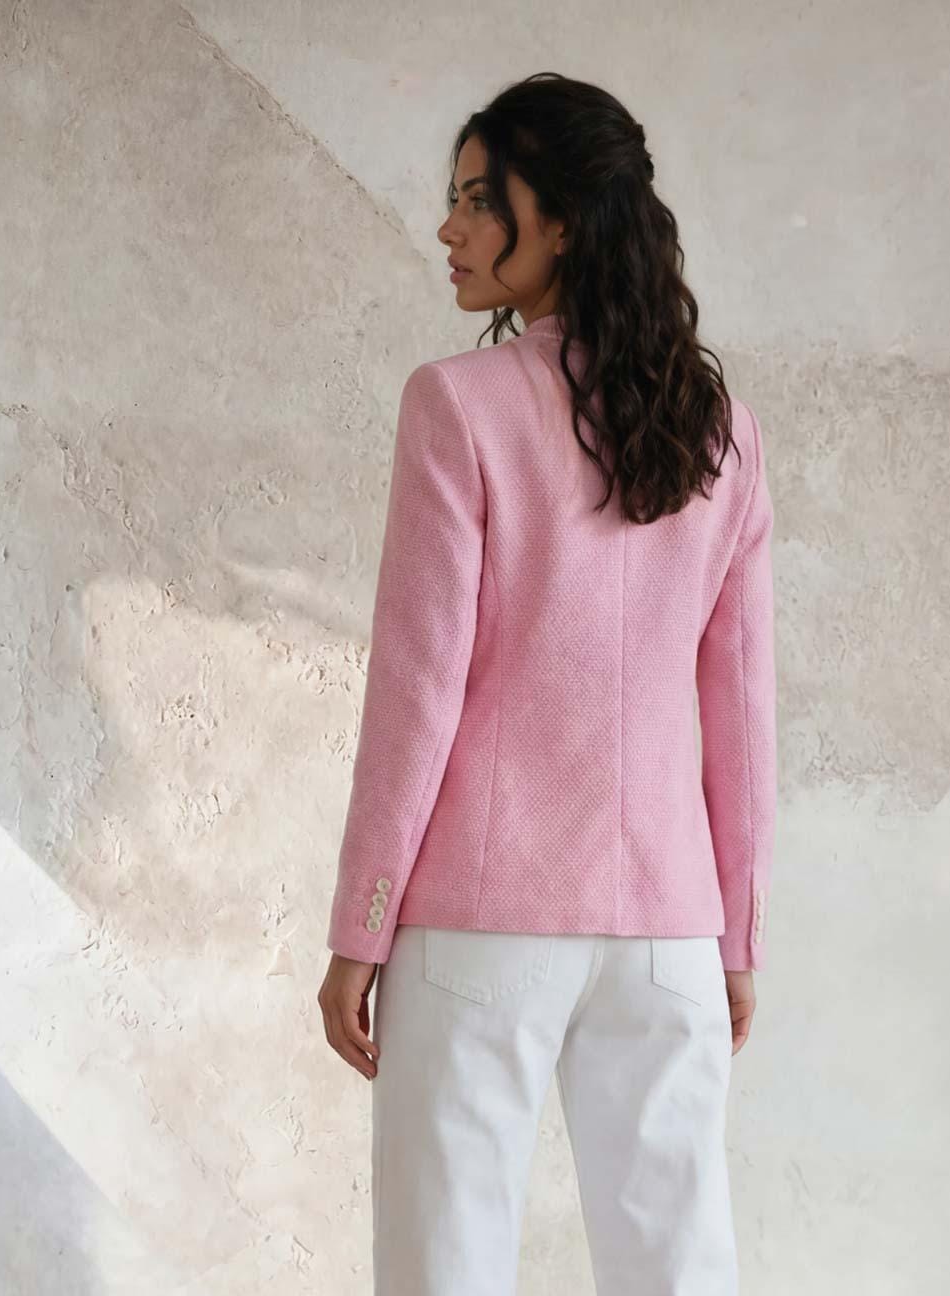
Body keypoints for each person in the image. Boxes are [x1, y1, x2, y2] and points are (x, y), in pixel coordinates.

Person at [317, 71, 776, 1296]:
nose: (448, 227)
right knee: (679, 1269)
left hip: (479, 924)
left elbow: (417, 691)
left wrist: (361, 927)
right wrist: (735, 936)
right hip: (669, 929)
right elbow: (741, 715)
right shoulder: (722, 431)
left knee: (447, 1267)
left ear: (560, 221)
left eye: (479, 199)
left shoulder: (458, 406)